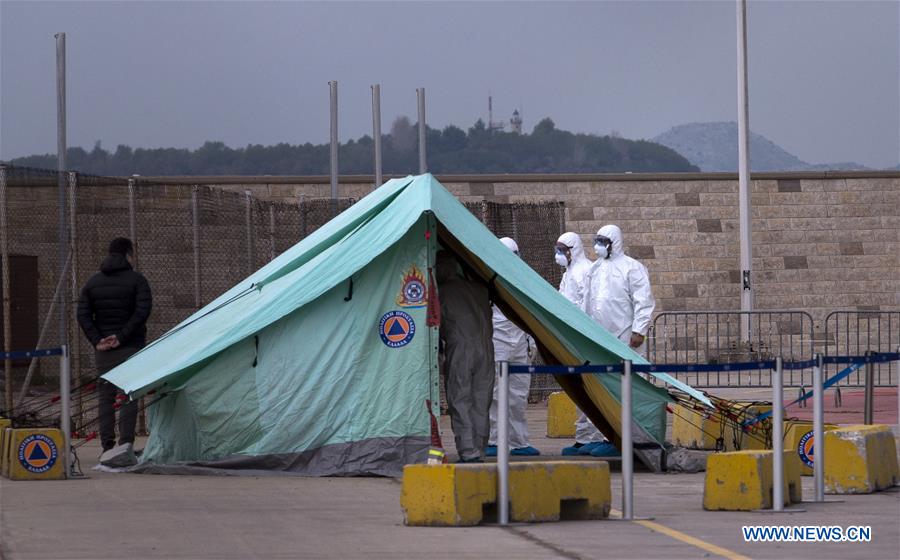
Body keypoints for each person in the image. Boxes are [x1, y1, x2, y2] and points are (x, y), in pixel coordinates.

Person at [580, 224, 656, 457]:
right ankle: (609, 435)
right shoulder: (594, 269)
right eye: (597, 240)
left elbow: (644, 301)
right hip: (601, 338)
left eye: (603, 241)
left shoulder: (632, 268)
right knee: (606, 388)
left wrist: (639, 330)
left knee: (629, 388)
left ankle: (631, 438)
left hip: (626, 338)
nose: (598, 245)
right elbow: (587, 301)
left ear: (615, 242)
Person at [77, 237, 152, 464]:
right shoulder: (137, 280)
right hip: (131, 346)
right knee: (129, 395)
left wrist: (98, 340)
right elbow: (142, 311)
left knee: (105, 396)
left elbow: (82, 314)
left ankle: (106, 446)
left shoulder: (93, 282)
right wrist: (121, 337)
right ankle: (125, 445)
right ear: (128, 254)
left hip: (104, 350)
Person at [436, 250, 495, 463]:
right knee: (482, 400)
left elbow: (436, 327)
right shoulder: (480, 290)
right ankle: (480, 448)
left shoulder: (442, 292)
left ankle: (468, 450)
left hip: (460, 349)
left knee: (460, 399)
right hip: (487, 348)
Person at [485, 238, 540, 457]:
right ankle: (493, 440)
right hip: (497, 341)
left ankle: (518, 441)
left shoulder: (524, 279)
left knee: (518, 394)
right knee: (496, 394)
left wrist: (531, 342)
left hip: (520, 342)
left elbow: (532, 312)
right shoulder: (489, 278)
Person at [555, 232, 607, 456]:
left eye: (561, 249)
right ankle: (583, 437)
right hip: (572, 337)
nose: (558, 254)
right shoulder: (568, 274)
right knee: (579, 389)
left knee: (590, 388)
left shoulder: (585, 270)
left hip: (582, 336)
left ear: (573, 248)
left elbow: (587, 305)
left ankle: (596, 435)